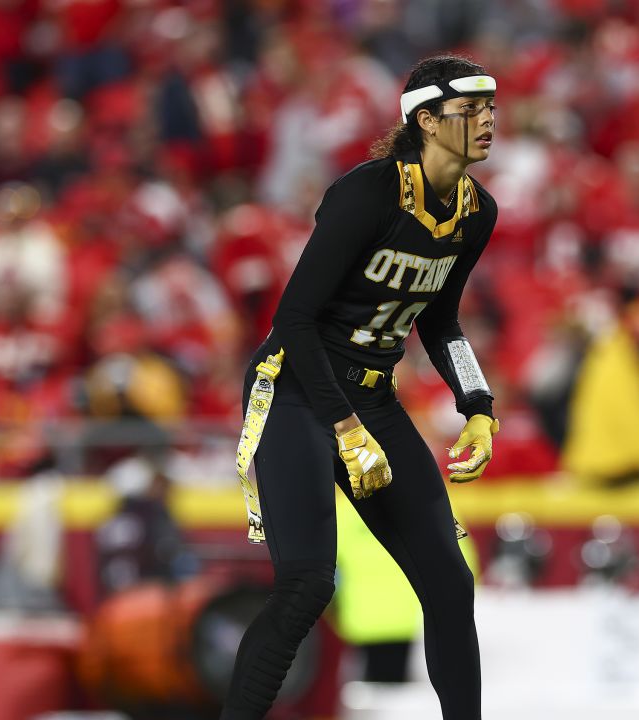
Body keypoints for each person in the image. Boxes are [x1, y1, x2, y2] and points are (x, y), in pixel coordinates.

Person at [220, 55, 500, 720]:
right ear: (427, 122)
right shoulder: (367, 194)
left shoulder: (476, 212)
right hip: (296, 389)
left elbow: (441, 319)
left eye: (491, 108)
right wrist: (345, 429)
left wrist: (479, 407)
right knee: (307, 584)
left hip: (372, 394)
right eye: (470, 111)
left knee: (449, 584)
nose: (487, 122)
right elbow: (294, 317)